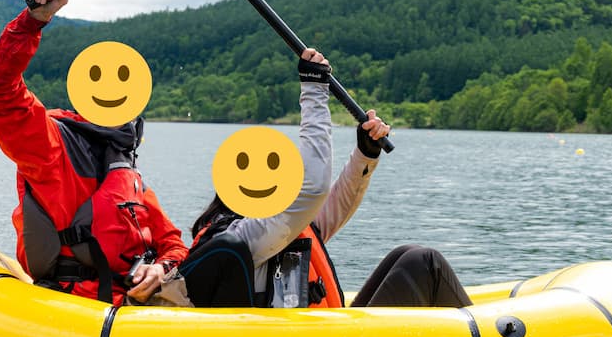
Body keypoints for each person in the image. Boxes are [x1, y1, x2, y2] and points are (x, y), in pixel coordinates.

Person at [179, 51, 472, 309]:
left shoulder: (282, 225)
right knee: (425, 264)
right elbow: (313, 189)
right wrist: (314, 91)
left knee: (408, 255)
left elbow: (336, 204)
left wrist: (365, 153)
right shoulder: (247, 234)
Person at [0, 0, 187, 305]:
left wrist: (160, 268)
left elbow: (173, 244)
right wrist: (32, 22)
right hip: (74, 311)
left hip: (131, 313)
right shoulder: (51, 145)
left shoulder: (129, 174)